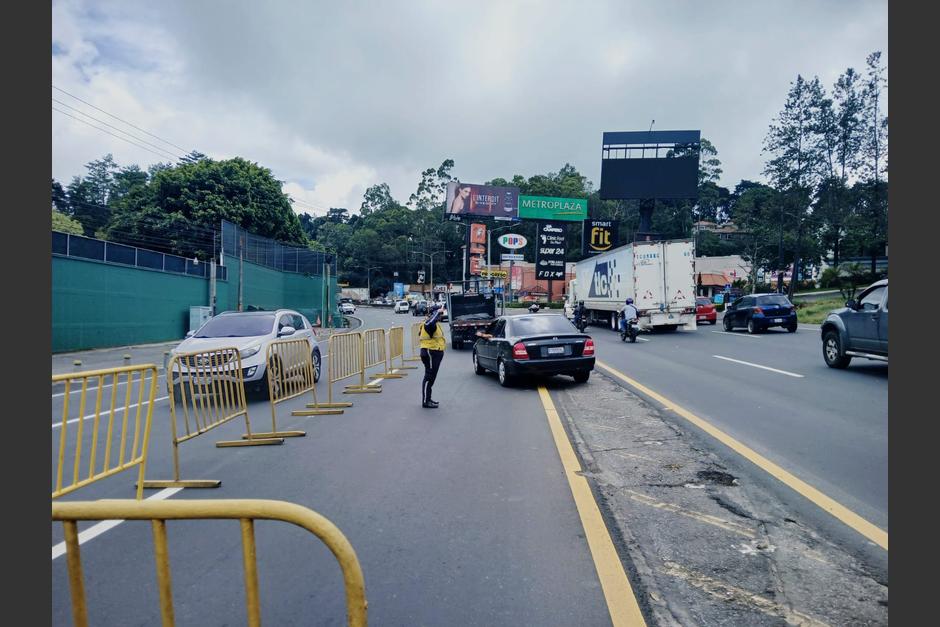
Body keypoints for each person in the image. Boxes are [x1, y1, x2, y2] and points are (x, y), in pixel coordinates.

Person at [419, 301, 446, 408]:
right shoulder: (429, 323)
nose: (440, 316)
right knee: (429, 376)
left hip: (435, 352)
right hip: (430, 353)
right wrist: (437, 312)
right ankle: (426, 401)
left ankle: (428, 399)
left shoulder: (435, 324)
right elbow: (429, 324)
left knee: (432, 377)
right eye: (439, 314)